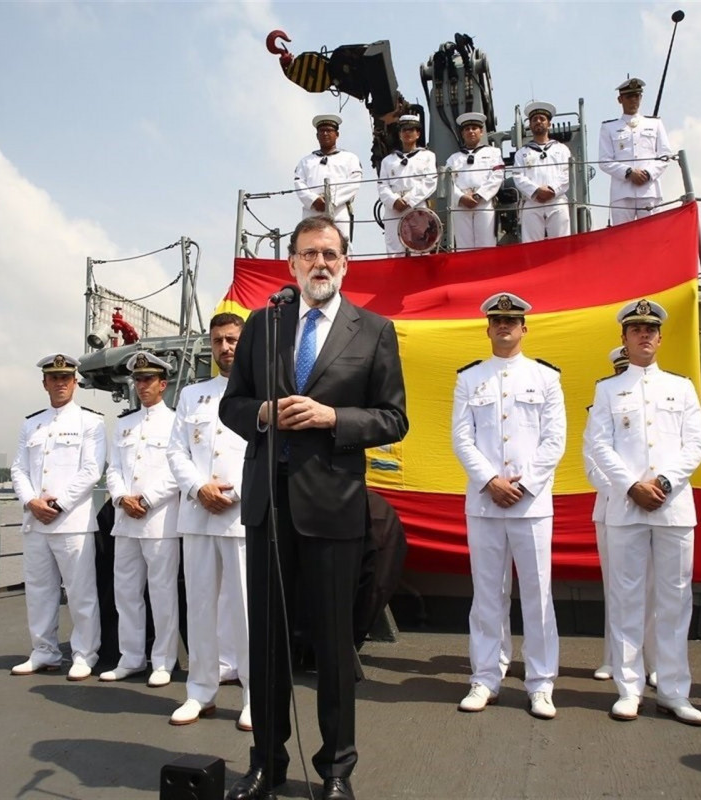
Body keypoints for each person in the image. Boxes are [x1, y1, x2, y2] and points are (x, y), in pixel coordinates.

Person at [219, 215, 408, 800]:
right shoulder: (263, 325)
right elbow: (233, 407)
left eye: (330, 254)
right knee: (267, 646)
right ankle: (265, 766)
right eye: (308, 254)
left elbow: (394, 418)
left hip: (333, 508)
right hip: (269, 508)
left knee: (332, 648)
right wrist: (264, 414)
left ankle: (335, 773)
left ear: (345, 264)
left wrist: (333, 418)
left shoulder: (373, 330)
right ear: (292, 265)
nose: (319, 263)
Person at [584, 298, 701, 725]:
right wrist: (632, 485)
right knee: (627, 597)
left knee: (674, 600)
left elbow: (695, 444)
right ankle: (629, 688)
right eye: (636, 329)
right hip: (626, 505)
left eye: (650, 329)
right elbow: (599, 444)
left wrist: (665, 482)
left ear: (659, 337)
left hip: (673, 507)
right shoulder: (607, 389)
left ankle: (674, 691)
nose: (644, 335)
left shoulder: (682, 387)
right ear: (624, 338)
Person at [451, 293, 566, 719]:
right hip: (484, 502)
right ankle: (485, 677)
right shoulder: (470, 379)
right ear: (488, 328)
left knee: (537, 594)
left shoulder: (545, 378)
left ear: (524, 327)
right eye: (497, 319)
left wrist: (525, 484)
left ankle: (540, 683)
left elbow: (554, 440)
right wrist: (490, 481)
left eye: (512, 320)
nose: (504, 326)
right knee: (487, 594)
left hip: (531, 505)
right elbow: (462, 438)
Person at [167, 314, 251, 730]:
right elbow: (176, 452)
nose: (225, 347)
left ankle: (255, 695)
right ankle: (200, 691)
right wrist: (200, 487)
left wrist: (233, 491)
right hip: (198, 514)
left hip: (240, 516)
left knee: (245, 610)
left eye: (232, 339)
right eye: (218, 341)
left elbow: (270, 450)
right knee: (199, 607)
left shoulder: (261, 391)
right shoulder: (191, 396)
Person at [10, 353, 105, 681]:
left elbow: (92, 470)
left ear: (75, 382)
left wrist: (59, 504)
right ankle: (44, 651)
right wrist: (31, 502)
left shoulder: (91, 423)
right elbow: (19, 469)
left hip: (72, 522)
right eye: (54, 378)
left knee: (80, 592)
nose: (60, 383)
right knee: (39, 590)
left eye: (66, 377)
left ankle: (84, 653)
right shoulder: (31, 424)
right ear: (44, 383)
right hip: (36, 520)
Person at [102, 351, 181, 687]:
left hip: (159, 519)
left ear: (163, 384)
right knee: (126, 592)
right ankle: (131, 656)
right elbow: (114, 469)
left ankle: (163, 660)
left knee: (162, 593)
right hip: (126, 520)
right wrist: (121, 497)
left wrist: (146, 499)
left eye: (148, 379)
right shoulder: (123, 424)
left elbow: (178, 470)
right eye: (138, 379)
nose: (142, 385)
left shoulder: (178, 421)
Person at [587, 347, 658, 688]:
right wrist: (627, 490)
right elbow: (592, 466)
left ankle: (654, 661)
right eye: (617, 371)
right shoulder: (598, 410)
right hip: (612, 508)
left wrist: (646, 491)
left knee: (654, 587)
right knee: (616, 587)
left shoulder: (651, 410)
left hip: (655, 505)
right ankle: (612, 657)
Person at [597, 78, 673, 226]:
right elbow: (604, 160)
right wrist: (629, 172)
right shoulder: (609, 128)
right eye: (629, 96)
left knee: (652, 237)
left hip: (649, 190)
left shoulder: (655, 123)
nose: (633, 100)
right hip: (622, 192)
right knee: (623, 240)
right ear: (620, 99)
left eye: (637, 96)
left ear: (641, 97)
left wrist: (648, 173)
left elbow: (665, 156)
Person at [294, 114, 363, 243]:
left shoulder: (350, 158)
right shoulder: (305, 161)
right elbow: (299, 184)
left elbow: (354, 183)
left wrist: (332, 201)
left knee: (341, 245)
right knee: (311, 244)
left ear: (337, 134)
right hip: (312, 210)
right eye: (322, 131)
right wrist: (314, 200)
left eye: (329, 130)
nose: (325, 134)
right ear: (317, 135)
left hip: (339, 210)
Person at [377, 114, 437, 257]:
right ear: (399, 134)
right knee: (394, 250)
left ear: (418, 134)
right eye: (404, 130)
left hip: (417, 205)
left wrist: (409, 200)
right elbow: (382, 185)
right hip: (394, 208)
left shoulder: (427, 156)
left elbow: (430, 181)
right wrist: (394, 201)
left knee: (420, 246)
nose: (407, 133)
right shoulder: (388, 161)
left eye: (411, 130)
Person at [513, 101, 572, 243]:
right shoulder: (522, 153)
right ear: (530, 125)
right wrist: (536, 190)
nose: (538, 122)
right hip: (533, 202)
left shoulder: (561, 149)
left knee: (561, 244)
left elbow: (567, 173)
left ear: (549, 124)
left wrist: (551, 190)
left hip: (556, 201)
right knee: (532, 246)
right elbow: (518, 176)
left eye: (542, 119)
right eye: (534, 120)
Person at [445, 111, 504, 251]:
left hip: (483, 203)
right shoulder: (453, 159)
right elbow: (447, 182)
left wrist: (479, 195)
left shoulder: (493, 153)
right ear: (462, 134)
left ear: (481, 132)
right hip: (461, 205)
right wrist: (461, 197)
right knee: (463, 247)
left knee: (486, 245)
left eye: (474, 128)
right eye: (467, 129)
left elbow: (497, 176)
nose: (471, 132)